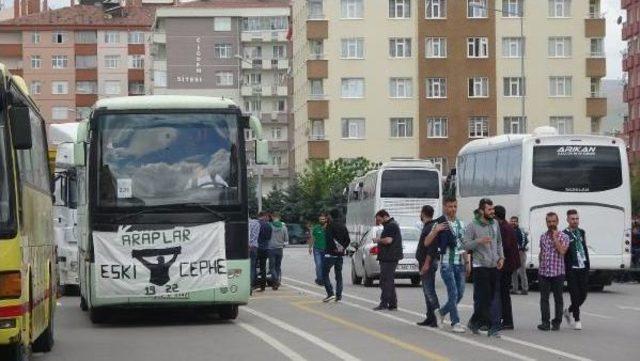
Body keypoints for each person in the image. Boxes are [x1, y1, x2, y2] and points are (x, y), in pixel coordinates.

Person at [463, 198, 504, 338]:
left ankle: (474, 322)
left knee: (490, 297)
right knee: (485, 298)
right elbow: (466, 245)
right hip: (480, 266)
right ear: (481, 211)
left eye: (493, 209)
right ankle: (492, 327)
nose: (492, 212)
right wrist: (479, 241)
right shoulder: (472, 226)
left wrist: (501, 257)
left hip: (493, 265)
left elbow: (499, 242)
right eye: (489, 210)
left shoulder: (495, 224)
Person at [435, 197, 470, 333]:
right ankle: (455, 322)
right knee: (453, 293)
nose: (453, 209)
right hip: (446, 263)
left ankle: (442, 312)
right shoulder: (440, 223)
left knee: (460, 293)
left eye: (455, 206)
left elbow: (464, 244)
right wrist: (435, 231)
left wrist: (467, 261)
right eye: (450, 206)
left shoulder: (462, 224)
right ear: (444, 207)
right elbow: (430, 241)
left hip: (459, 263)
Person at [537, 212, 570, 331]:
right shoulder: (543, 236)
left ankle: (557, 322)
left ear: (557, 222)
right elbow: (542, 251)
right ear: (546, 222)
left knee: (558, 298)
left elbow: (562, 251)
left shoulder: (564, 237)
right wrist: (540, 262)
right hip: (544, 272)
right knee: (544, 298)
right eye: (549, 222)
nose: (551, 224)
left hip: (557, 272)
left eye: (553, 221)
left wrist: (555, 238)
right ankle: (545, 322)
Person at [563, 209, 590, 330]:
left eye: (577, 218)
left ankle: (568, 310)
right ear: (568, 220)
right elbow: (563, 253)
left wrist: (587, 264)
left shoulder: (582, 232)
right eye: (573, 219)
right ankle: (577, 319)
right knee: (574, 294)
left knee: (583, 295)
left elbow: (584, 248)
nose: (575, 221)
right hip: (571, 268)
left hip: (582, 266)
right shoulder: (564, 234)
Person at [494, 206, 520, 330]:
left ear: (496, 216)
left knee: (503, 294)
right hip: (508, 264)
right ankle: (504, 319)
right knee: (503, 293)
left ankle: (507, 321)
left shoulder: (504, 228)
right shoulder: (506, 226)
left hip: (506, 265)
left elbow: (504, 246)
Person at [415, 205, 441, 326]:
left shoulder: (431, 227)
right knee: (427, 291)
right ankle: (430, 317)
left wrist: (426, 264)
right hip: (426, 262)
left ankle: (436, 318)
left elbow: (431, 248)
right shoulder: (429, 226)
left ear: (423, 213)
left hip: (428, 263)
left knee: (430, 291)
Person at [373, 210, 403, 311]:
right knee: (388, 280)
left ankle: (384, 303)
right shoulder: (390, 225)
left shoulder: (391, 226)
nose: (379, 222)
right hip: (389, 257)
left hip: (389, 257)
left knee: (385, 281)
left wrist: (378, 240)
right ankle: (392, 303)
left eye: (379, 219)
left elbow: (388, 240)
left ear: (385, 216)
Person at [322, 213, 350, 302]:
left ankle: (330, 293)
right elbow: (348, 240)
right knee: (338, 274)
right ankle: (339, 295)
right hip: (340, 254)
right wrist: (342, 248)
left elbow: (329, 239)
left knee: (324, 273)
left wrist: (334, 249)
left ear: (331, 216)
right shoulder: (343, 226)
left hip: (330, 254)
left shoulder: (330, 226)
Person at [268, 212, 289, 291]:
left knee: (272, 267)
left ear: (273, 217)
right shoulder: (284, 227)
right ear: (279, 217)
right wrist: (282, 245)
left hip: (271, 249)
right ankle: (276, 282)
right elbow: (286, 239)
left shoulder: (270, 226)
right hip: (280, 249)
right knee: (278, 266)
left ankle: (275, 281)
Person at [510, 216, 529, 295]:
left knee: (522, 271)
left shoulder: (520, 231)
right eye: (512, 221)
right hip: (512, 253)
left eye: (515, 221)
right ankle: (515, 288)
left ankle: (525, 289)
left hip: (520, 252)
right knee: (513, 271)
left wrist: (522, 247)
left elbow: (525, 240)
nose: (513, 222)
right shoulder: (510, 230)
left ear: (517, 222)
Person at [309, 213, 328, 286]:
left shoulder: (328, 228)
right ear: (319, 220)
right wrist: (310, 248)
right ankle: (320, 279)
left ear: (326, 219)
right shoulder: (316, 228)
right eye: (321, 219)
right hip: (317, 249)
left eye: (323, 219)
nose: (322, 220)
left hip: (326, 249)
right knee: (318, 264)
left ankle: (322, 278)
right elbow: (312, 238)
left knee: (324, 265)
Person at [256, 211, 273, 292]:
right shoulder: (269, 226)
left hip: (255, 248)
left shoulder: (255, 224)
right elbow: (269, 238)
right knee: (263, 268)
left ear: (259, 216)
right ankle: (263, 287)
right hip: (265, 248)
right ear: (264, 216)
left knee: (253, 267)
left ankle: (253, 284)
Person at [248, 216, 261, 291]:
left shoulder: (247, 223)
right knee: (253, 267)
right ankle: (252, 284)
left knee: (247, 267)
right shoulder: (257, 223)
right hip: (255, 247)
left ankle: (248, 284)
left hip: (247, 247)